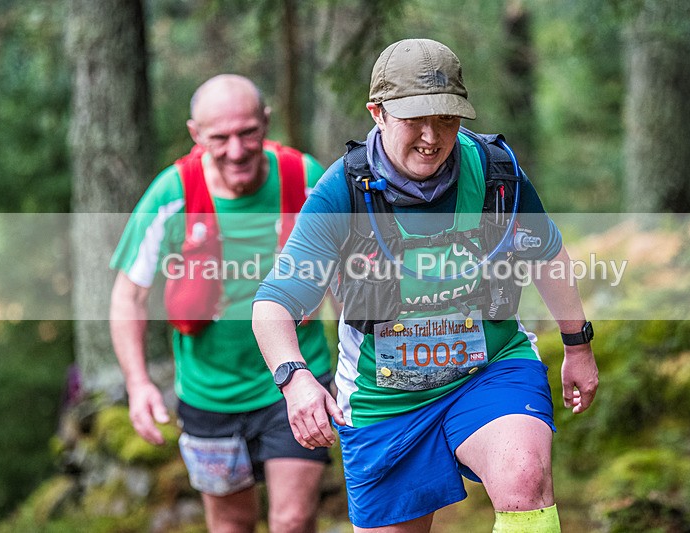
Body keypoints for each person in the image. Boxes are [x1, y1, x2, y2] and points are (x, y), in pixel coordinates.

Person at [251, 39, 599, 533]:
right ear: (378, 113)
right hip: (383, 398)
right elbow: (272, 304)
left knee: (524, 478)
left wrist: (577, 345)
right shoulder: (341, 192)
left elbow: (546, 255)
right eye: (415, 119)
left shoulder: (497, 173)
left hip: (488, 370)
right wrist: (296, 380)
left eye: (447, 119)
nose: (432, 138)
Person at [110, 74, 334, 533]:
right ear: (196, 134)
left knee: (293, 520)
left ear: (265, 122)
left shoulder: (305, 177)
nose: (237, 150)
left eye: (248, 132)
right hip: (209, 392)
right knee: (230, 524)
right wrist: (138, 383)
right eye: (220, 137)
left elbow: (353, 272)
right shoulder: (172, 195)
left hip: (296, 378)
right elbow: (129, 294)